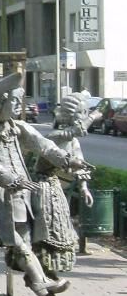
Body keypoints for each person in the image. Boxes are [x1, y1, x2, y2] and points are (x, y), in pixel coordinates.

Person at [0, 73, 87, 296]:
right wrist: (11, 179)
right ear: (0, 103)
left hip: (22, 196)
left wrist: (67, 160)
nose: (16, 108)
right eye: (13, 102)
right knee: (17, 242)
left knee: (26, 239)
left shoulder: (18, 127)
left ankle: (36, 281)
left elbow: (44, 145)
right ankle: (40, 282)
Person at [32, 92, 95, 278]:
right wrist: (93, 116)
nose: (82, 116)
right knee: (44, 226)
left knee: (60, 228)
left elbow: (80, 164)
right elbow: (72, 132)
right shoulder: (56, 136)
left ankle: (52, 265)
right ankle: (37, 265)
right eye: (80, 112)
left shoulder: (73, 141)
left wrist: (84, 187)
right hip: (42, 186)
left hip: (57, 188)